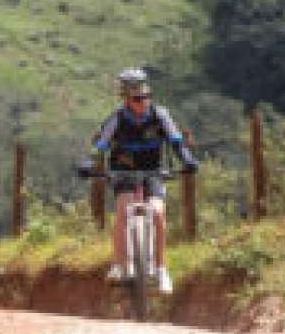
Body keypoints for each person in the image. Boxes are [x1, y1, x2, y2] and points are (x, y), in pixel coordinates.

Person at [77, 68, 198, 294]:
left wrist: (187, 159)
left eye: (146, 96)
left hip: (154, 170)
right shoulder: (116, 119)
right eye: (136, 98)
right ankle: (120, 264)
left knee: (159, 213)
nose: (143, 101)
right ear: (125, 99)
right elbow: (99, 148)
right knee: (124, 210)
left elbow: (176, 141)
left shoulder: (161, 115)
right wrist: (89, 164)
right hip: (124, 171)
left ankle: (161, 270)